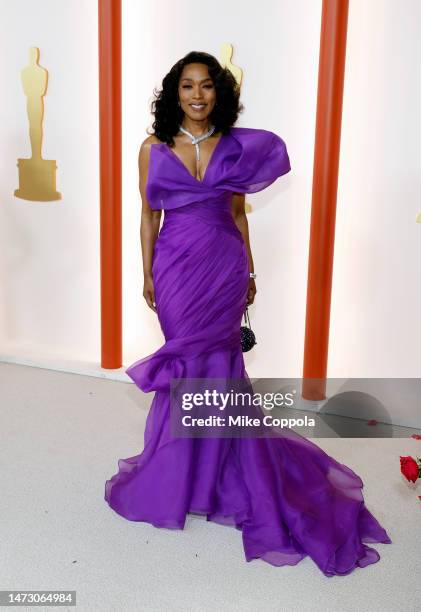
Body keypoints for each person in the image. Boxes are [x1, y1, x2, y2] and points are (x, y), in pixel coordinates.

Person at [105, 51, 392, 577]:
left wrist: (251, 274)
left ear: (219, 93)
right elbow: (148, 215)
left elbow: (238, 213)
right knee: (185, 367)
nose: (197, 95)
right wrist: (146, 274)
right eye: (187, 86)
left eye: (207, 86)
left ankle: (210, 473)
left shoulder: (233, 147)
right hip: (174, 268)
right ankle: (182, 474)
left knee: (221, 370)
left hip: (222, 266)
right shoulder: (151, 148)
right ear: (174, 93)